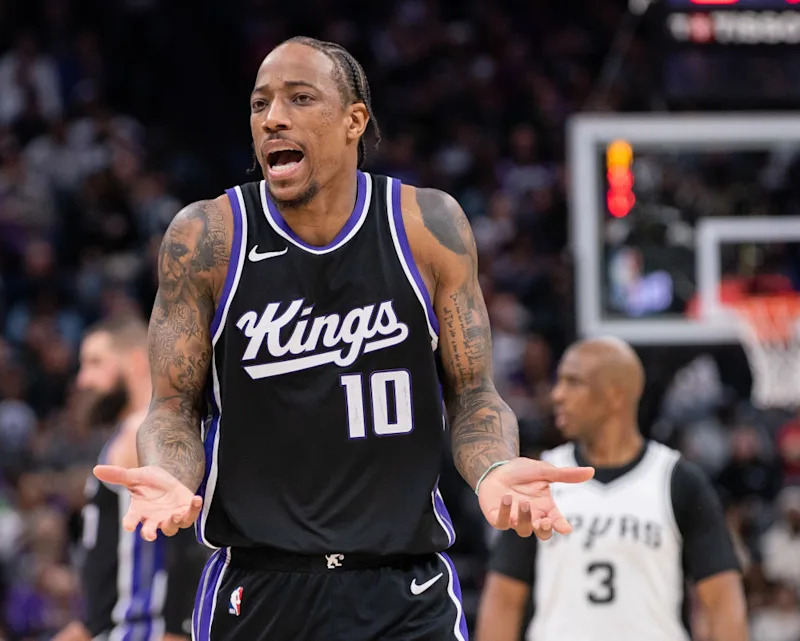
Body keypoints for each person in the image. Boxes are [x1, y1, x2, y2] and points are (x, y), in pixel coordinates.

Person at [94, 37, 594, 641]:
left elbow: (473, 394)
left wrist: (491, 468)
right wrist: (173, 475)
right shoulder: (207, 238)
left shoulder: (427, 227)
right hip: (260, 587)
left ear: (355, 120)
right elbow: (174, 409)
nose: (273, 117)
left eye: (300, 98)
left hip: (403, 589)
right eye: (260, 105)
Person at [477, 337, 748, 641]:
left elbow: (722, 599)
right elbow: (504, 599)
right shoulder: (542, 479)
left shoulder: (678, 480)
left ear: (615, 395)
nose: (557, 395)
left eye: (573, 382)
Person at [54, 315, 208, 641]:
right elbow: (109, 568)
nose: (83, 379)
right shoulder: (127, 434)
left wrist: (177, 628)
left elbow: (189, 538)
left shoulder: (145, 429)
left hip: (145, 630)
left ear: (137, 362)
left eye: (96, 362)